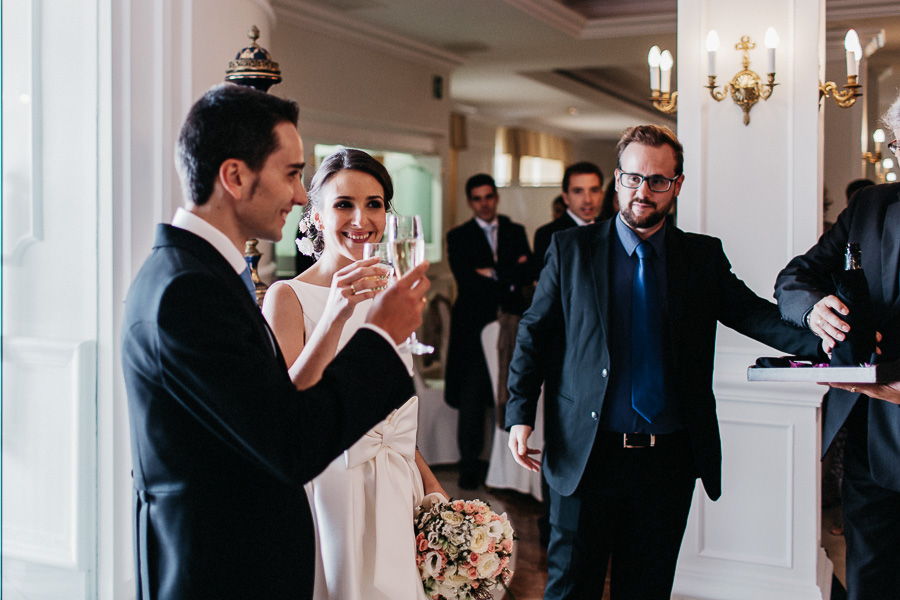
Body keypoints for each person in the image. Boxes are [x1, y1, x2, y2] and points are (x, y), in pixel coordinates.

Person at [121, 84, 430, 600]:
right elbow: (289, 443)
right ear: (235, 177)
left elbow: (271, 407)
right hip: (220, 572)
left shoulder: (206, 276)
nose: (299, 194)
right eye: (290, 173)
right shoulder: (187, 290)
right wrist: (378, 335)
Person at [506, 124, 822, 600]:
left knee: (648, 589)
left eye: (657, 181)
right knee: (571, 588)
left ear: (676, 184)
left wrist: (832, 340)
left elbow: (754, 315)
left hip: (668, 460)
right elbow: (534, 332)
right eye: (633, 178)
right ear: (618, 179)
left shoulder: (701, 256)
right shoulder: (571, 250)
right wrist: (518, 415)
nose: (643, 191)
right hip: (586, 453)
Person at [262, 147, 446, 600]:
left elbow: (391, 410)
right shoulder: (288, 296)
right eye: (344, 204)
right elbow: (286, 403)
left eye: (374, 204)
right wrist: (336, 316)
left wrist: (428, 479)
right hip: (332, 485)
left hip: (396, 478)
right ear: (317, 217)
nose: (361, 218)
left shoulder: (391, 295)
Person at [775, 96, 900, 600]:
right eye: (897, 145)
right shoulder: (873, 206)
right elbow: (796, 276)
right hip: (872, 438)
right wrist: (813, 307)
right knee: (870, 579)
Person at [445, 173, 532, 489]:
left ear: (496, 197)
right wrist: (507, 275)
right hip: (472, 328)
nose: (484, 203)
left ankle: (507, 467)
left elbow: (527, 274)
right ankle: (470, 466)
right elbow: (466, 281)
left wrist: (492, 273)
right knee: (472, 397)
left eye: (488, 196)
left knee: (510, 392)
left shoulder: (515, 231)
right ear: (471, 202)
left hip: (510, 325)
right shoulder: (458, 236)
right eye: (477, 198)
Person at [532, 161, 604, 275]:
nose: (588, 200)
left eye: (594, 190)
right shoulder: (547, 234)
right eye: (578, 191)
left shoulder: (612, 229)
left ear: (601, 194)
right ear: (565, 198)